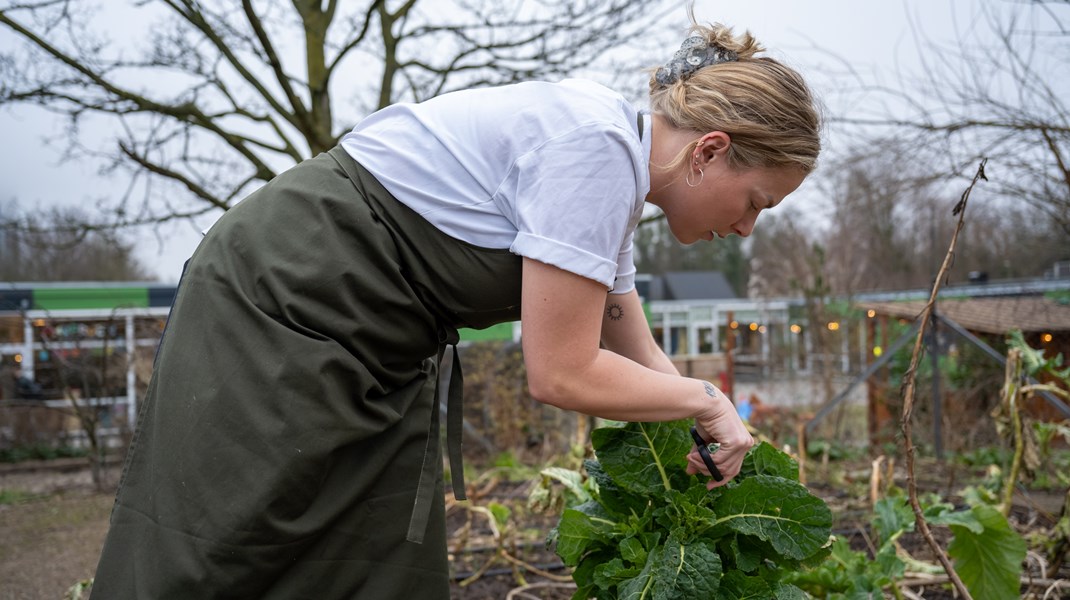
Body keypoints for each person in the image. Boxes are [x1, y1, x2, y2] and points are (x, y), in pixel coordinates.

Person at [90, 14, 820, 599]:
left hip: (368, 340)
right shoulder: (595, 150)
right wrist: (704, 400)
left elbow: (635, 352)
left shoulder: (618, 175)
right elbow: (561, 374)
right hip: (286, 302)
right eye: (757, 201)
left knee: (368, 555)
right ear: (711, 150)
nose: (748, 226)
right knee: (226, 544)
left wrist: (707, 425)